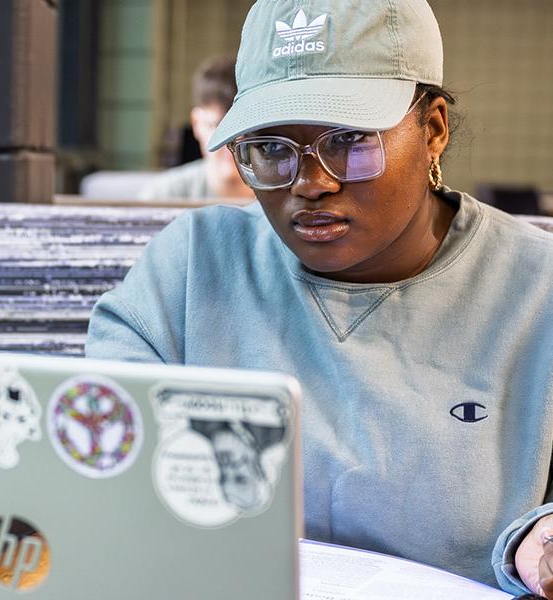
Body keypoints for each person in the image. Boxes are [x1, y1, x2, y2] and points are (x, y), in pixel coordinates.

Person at [85, 0, 553, 596]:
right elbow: (96, 463)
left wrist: (536, 537)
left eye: (351, 140)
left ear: (433, 129)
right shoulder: (190, 269)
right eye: (273, 148)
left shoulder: (537, 291)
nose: (311, 183)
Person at [137, 56, 256, 201]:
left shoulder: (280, 196)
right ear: (196, 123)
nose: (231, 142)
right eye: (218, 127)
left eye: (243, 128)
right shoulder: (161, 197)